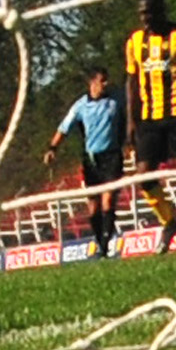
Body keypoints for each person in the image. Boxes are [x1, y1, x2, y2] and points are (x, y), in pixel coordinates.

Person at [122, 0, 176, 252]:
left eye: (148, 12)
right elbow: (131, 82)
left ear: (160, 10)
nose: (144, 18)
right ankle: (169, 220)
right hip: (148, 118)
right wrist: (130, 120)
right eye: (141, 14)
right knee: (143, 176)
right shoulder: (135, 42)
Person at [48, 68, 126, 259]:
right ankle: (100, 241)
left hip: (112, 156)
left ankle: (106, 244)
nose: (106, 84)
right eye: (102, 81)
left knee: (108, 200)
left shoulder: (117, 100)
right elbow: (63, 128)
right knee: (93, 205)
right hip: (92, 159)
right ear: (92, 83)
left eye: (107, 81)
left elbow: (131, 114)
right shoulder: (80, 106)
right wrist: (52, 148)